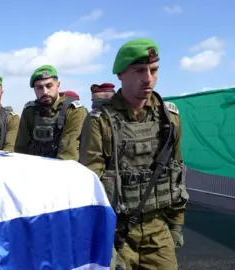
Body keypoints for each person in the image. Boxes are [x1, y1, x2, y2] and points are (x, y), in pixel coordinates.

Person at [79, 38, 189, 270]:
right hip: (117, 235)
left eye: (153, 70)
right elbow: (90, 188)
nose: (148, 78)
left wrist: (176, 224)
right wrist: (103, 244)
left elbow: (177, 172)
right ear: (120, 74)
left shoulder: (169, 118)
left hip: (158, 229)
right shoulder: (101, 121)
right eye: (139, 71)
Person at [14, 65, 88, 160]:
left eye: (49, 86)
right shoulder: (30, 111)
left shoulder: (74, 111)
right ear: (34, 90)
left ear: (58, 85)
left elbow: (68, 154)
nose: (45, 92)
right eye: (39, 87)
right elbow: (21, 149)